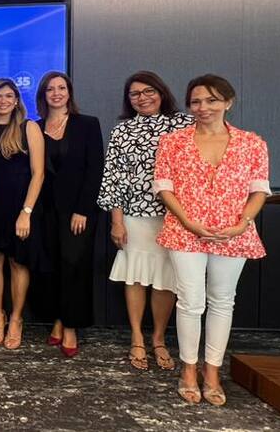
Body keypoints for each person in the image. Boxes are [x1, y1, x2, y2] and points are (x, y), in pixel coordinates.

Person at [154, 74, 269, 406]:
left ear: (228, 102)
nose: (203, 107)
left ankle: (213, 370)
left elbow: (259, 190)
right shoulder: (172, 142)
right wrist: (188, 221)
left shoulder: (252, 143)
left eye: (211, 100)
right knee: (190, 301)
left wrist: (242, 223)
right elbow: (163, 187)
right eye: (196, 101)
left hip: (233, 234)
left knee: (222, 301)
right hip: (185, 231)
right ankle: (189, 369)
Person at [99, 71, 192, 372]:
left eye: (149, 91)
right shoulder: (122, 130)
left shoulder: (184, 125)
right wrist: (116, 221)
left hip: (175, 216)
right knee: (136, 277)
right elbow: (113, 177)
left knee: (166, 279)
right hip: (134, 215)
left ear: (161, 92)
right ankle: (137, 337)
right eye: (135, 94)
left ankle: (159, 338)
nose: (143, 98)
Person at [35, 71, 103, 358]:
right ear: (43, 95)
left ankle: (71, 326)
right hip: (45, 211)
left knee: (74, 267)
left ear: (69, 92)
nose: (56, 93)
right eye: (50, 89)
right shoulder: (35, 127)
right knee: (51, 267)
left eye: (61, 88)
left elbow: (95, 170)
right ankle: (58, 319)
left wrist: (82, 209)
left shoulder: (87, 124)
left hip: (78, 212)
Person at [0, 78, 46, 350]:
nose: (3, 101)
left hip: (21, 209)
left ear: (17, 100)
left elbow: (38, 174)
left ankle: (17, 319)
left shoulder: (29, 128)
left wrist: (26, 212)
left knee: (18, 263)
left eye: (8, 96)